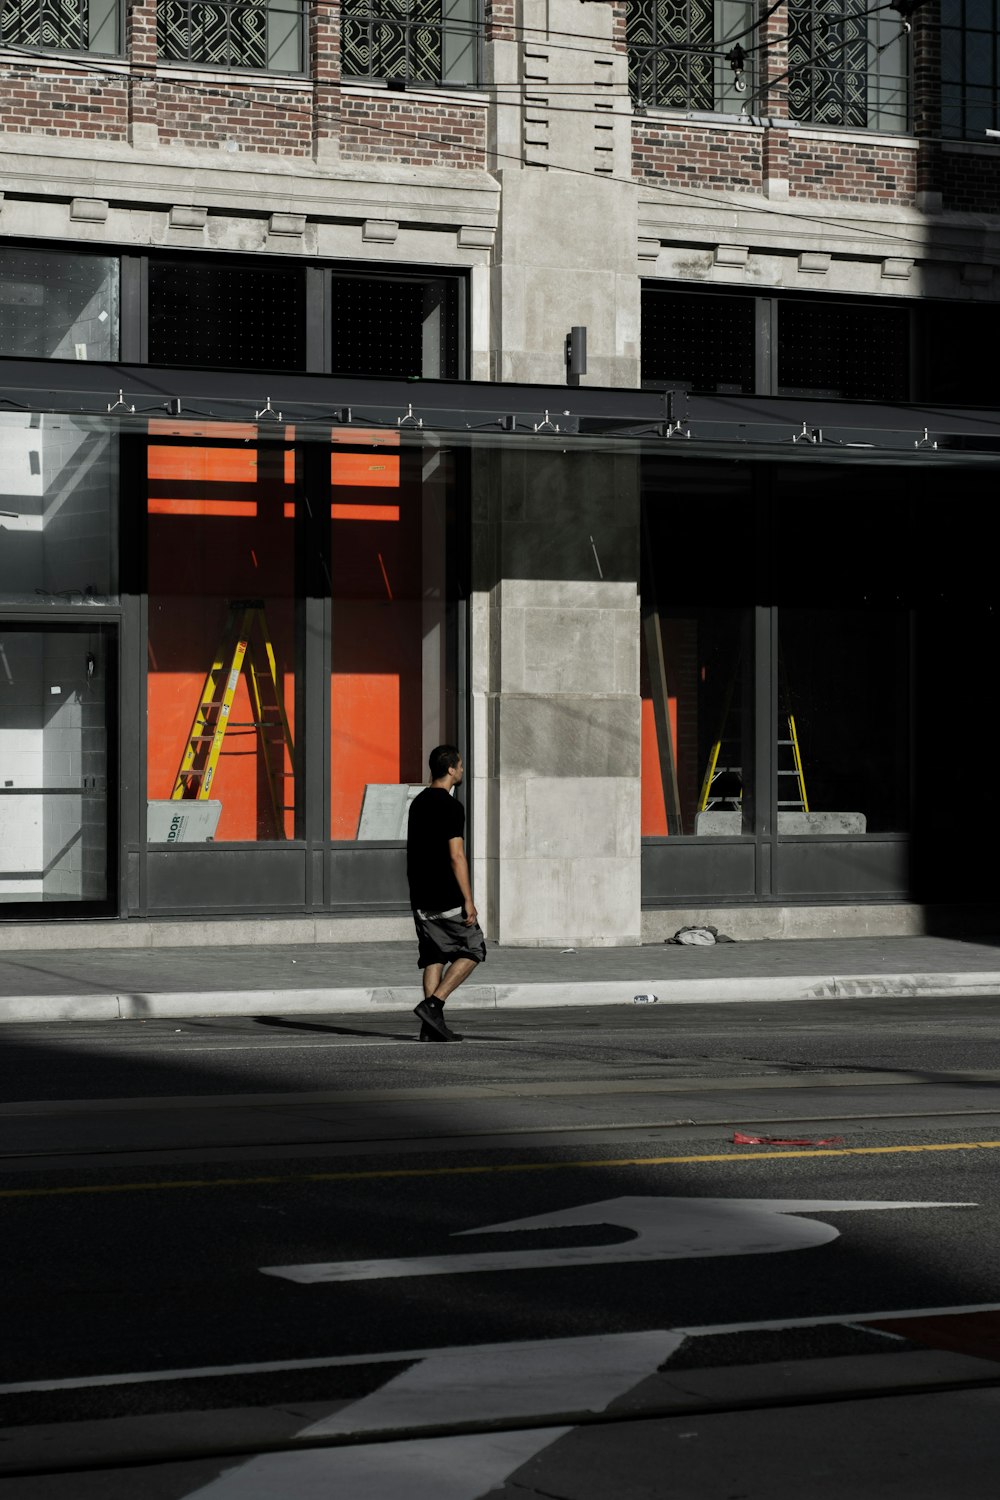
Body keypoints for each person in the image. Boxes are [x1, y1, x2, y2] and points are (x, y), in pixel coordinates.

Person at [407, 744, 485, 1042]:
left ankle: (430, 1028)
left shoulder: (419, 802)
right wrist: (468, 899)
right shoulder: (451, 806)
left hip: (420, 894)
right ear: (451, 769)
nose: (462, 770)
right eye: (461, 766)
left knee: (434, 955)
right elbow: (456, 856)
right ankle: (433, 1005)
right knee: (474, 948)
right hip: (445, 894)